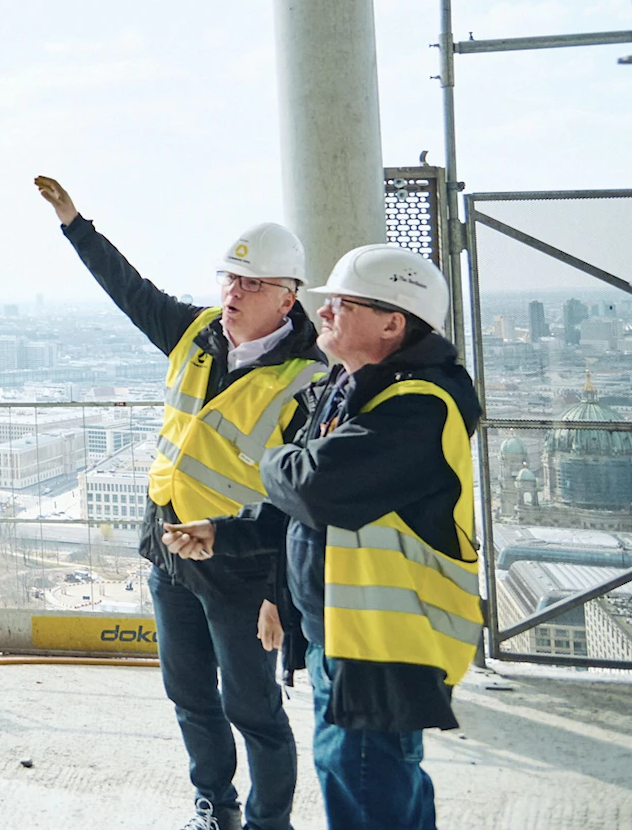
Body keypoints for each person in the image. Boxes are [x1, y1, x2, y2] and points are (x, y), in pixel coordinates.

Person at [35, 176, 326, 830]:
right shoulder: (196, 333)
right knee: (190, 695)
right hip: (170, 553)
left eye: (250, 283)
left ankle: (267, 822)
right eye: (229, 277)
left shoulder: (306, 382)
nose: (232, 291)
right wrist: (75, 222)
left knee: (253, 709)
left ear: (288, 296)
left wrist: (280, 591)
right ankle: (215, 806)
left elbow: (303, 504)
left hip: (242, 572)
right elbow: (130, 290)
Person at [166, 244, 480, 830]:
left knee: (368, 792)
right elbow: (310, 511)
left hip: (386, 646)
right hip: (343, 638)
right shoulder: (354, 388)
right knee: (369, 786)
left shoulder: (420, 407)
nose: (326, 312)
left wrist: (273, 458)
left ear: (393, 322)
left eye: (343, 302)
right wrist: (225, 533)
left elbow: (311, 488)